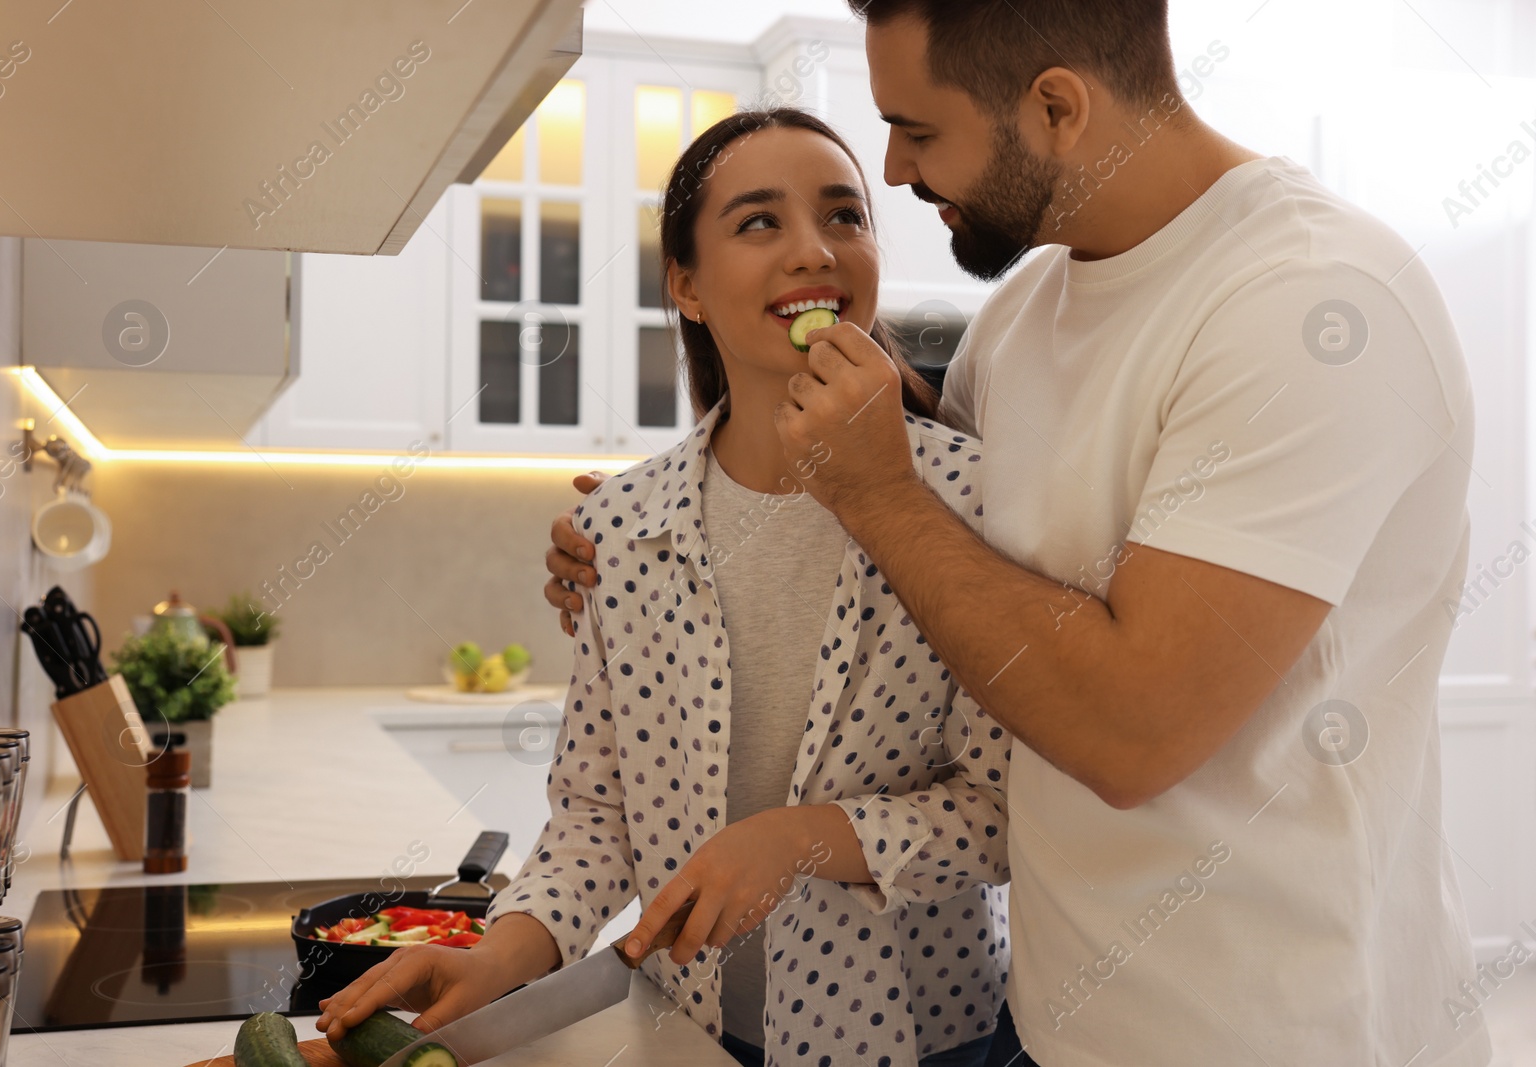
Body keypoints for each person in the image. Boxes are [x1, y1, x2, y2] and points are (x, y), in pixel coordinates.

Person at [547, 2, 1492, 1065]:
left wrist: (877, 494)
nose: (896, 170)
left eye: (917, 128)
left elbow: (1131, 734)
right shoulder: (1023, 314)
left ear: (1054, 106)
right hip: (1049, 1022)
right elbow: (924, 568)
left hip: (1288, 1034)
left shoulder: (1315, 304)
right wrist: (638, 527)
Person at [318, 108, 1013, 1067]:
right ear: (684, 285)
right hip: (691, 1029)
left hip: (927, 1038)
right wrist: (499, 956)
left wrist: (807, 838)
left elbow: (1002, 812)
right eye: (760, 222)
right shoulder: (623, 529)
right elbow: (597, 817)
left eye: (845, 217)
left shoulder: (968, 501)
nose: (815, 250)